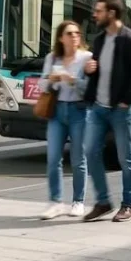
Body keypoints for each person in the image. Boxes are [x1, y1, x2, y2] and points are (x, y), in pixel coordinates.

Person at [82, 0, 131, 223]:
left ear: (111, 13)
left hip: (121, 110)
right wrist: (89, 69)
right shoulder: (100, 40)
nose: (95, 14)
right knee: (90, 151)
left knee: (125, 158)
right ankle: (103, 202)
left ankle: (128, 204)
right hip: (99, 108)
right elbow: (96, 69)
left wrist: (126, 101)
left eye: (99, 11)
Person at [39, 20, 92, 220]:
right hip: (57, 111)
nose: (75, 36)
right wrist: (51, 80)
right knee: (53, 159)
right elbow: (42, 86)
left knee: (78, 159)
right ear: (61, 38)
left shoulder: (87, 58)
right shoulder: (52, 58)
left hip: (79, 111)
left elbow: (90, 89)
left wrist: (73, 81)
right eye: (70, 33)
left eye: (77, 33)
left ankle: (78, 201)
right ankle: (56, 202)